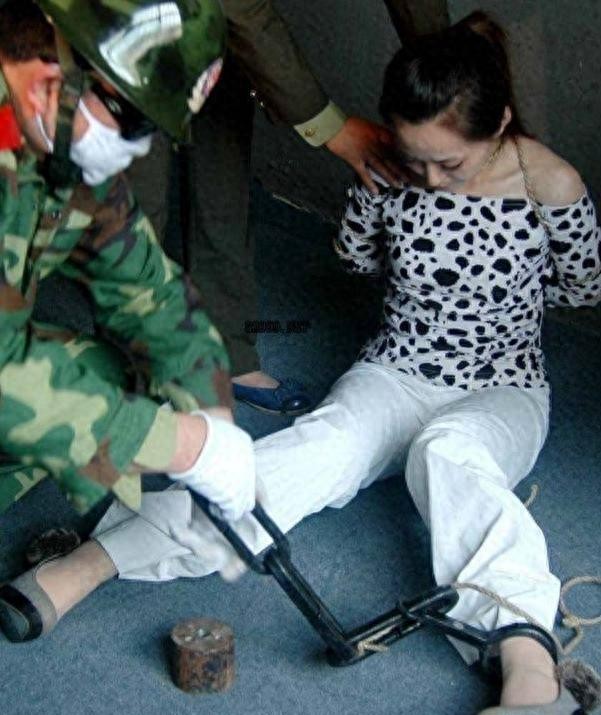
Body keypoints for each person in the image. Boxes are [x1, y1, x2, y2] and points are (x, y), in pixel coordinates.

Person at [3, 10, 600, 714]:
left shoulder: (549, 182)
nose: (432, 181)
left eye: (451, 164)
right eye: (417, 161)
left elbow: (581, 285)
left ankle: (529, 664)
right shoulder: (391, 175)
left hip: (502, 387)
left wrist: (201, 405)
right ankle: (93, 559)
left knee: (449, 453)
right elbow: (356, 256)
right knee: (318, 444)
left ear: (496, 125)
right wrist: (193, 444)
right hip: (396, 370)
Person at [0, 0, 259, 637]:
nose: (136, 146)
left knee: (109, 374)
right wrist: (181, 445)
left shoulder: (56, 131)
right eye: (132, 118)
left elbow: (149, 290)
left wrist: (210, 414)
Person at [128, 0, 451, 415]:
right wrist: (332, 128)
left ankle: (224, 354)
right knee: (137, 202)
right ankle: (129, 387)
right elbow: (244, 11)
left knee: (223, 176)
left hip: (213, 26)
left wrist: (449, 79)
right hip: (127, 23)